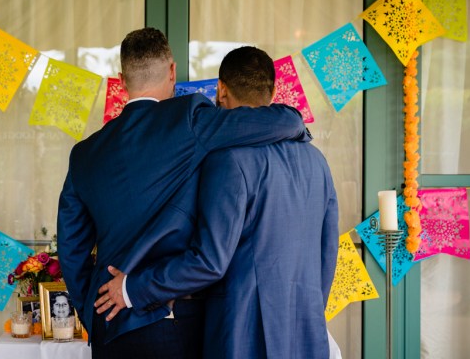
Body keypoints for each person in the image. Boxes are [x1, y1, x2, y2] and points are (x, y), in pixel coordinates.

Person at [57, 28, 312, 359]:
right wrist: (295, 119)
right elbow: (275, 124)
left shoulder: (84, 153)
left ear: (121, 80)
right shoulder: (190, 118)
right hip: (173, 323)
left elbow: (71, 249)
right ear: (173, 71)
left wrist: (93, 310)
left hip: (109, 325)